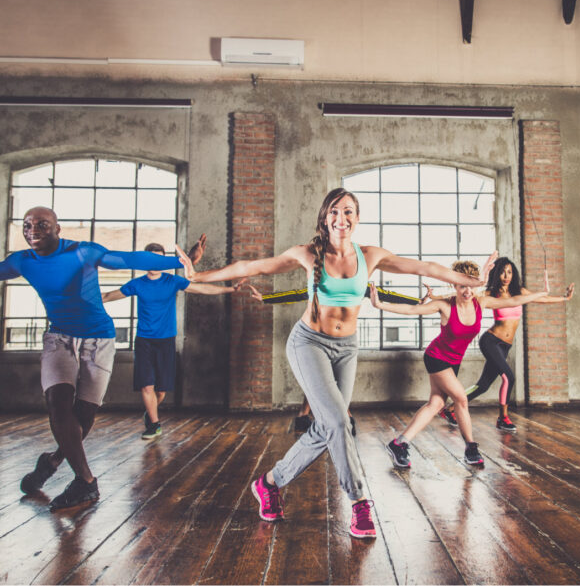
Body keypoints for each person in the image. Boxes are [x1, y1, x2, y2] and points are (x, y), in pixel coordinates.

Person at [175, 187, 484, 538]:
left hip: (346, 348)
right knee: (338, 420)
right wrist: (198, 276)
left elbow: (423, 267)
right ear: (325, 217)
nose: (342, 218)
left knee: (326, 428)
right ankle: (359, 503)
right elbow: (253, 266)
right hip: (309, 343)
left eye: (349, 211)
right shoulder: (308, 254)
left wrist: (472, 281)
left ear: (357, 218)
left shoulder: (370, 255)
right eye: (335, 211)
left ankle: (269, 483)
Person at [3, 207, 196, 510]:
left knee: (83, 415)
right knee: (57, 402)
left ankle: (53, 460)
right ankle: (87, 482)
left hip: (98, 339)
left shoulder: (83, 252)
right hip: (60, 337)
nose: (33, 230)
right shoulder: (21, 261)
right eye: (27, 225)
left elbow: (130, 259)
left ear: (57, 228)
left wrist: (179, 261)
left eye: (42, 224)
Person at [377, 258, 555, 470]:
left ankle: (399, 443)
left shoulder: (482, 303)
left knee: (436, 404)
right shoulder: (445, 306)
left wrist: (542, 293)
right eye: (462, 286)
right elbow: (411, 311)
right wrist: (380, 304)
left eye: (471, 286)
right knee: (461, 398)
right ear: (455, 284)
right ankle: (471, 448)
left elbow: (513, 301)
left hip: (453, 362)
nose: (467, 292)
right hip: (436, 358)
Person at [101, 241, 246, 439]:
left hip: (165, 340)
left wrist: (230, 290)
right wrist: (77, 298)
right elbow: (108, 296)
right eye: (151, 259)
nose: (155, 263)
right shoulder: (137, 284)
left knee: (161, 390)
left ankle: (150, 412)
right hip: (144, 340)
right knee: (146, 385)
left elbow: (201, 289)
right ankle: (154, 424)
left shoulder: (172, 281)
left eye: (160, 259)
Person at [247, 284, 422, 435]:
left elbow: (385, 294)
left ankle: (306, 415)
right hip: (318, 341)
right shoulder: (322, 283)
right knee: (322, 382)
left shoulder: (360, 284)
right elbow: (298, 293)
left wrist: (416, 301)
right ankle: (338, 417)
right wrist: (265, 298)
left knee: (328, 382)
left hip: (343, 342)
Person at [439, 257, 574, 432]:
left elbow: (543, 299)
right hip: (491, 341)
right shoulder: (490, 294)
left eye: (509, 272)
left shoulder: (519, 292)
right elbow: (462, 296)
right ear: (497, 274)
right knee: (509, 377)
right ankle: (503, 418)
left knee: (483, 386)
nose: (506, 276)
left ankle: (449, 410)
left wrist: (564, 298)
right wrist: (434, 297)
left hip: (505, 346)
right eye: (502, 271)